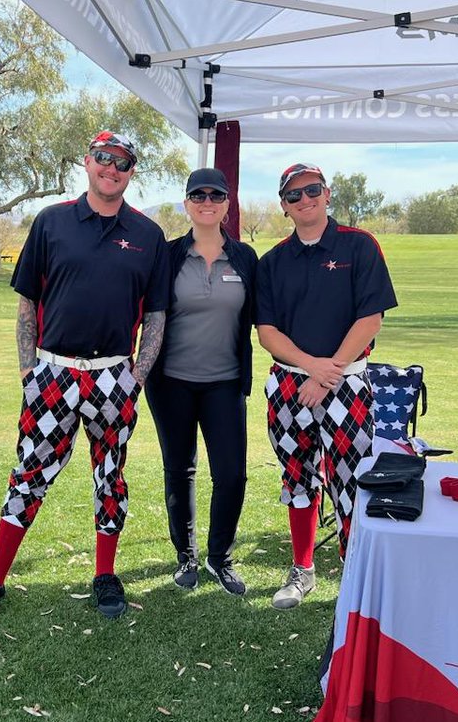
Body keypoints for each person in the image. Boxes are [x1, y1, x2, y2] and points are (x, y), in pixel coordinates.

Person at [0, 131, 169, 624]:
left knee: (110, 475)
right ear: (87, 162)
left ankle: (105, 574)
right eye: (103, 158)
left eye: (123, 162)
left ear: (132, 172)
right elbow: (28, 302)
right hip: (52, 372)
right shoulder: (51, 222)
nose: (111, 168)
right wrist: (27, 370)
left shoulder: (148, 235)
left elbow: (156, 314)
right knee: (29, 473)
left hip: (113, 376)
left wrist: (136, 377)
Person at [256, 163, 397, 609]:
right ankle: (303, 569)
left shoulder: (359, 245)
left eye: (312, 190)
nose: (305, 200)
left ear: (327, 193)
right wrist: (311, 368)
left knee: (351, 479)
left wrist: (329, 372)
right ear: (284, 205)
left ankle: (355, 575)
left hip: (346, 383)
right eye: (294, 195)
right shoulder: (273, 261)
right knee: (296, 474)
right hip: (290, 385)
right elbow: (267, 332)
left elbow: (370, 319)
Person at [145, 168, 258, 595]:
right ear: (187, 203)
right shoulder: (169, 255)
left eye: (215, 195)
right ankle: (186, 556)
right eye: (198, 195)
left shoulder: (245, 259)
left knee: (231, 475)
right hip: (170, 382)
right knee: (180, 469)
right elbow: (146, 311)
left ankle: (220, 557)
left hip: (225, 383)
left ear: (227, 204)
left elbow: (265, 317)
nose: (207, 202)